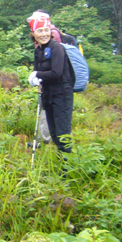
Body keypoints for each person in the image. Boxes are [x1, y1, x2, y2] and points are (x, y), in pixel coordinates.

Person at [28, 16, 75, 160]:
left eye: (46, 30)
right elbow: (39, 71)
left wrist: (37, 74)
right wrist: (36, 79)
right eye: (39, 31)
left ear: (51, 31)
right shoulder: (39, 50)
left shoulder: (56, 48)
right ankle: (62, 162)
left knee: (62, 132)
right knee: (53, 131)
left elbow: (56, 72)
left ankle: (68, 166)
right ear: (33, 33)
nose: (44, 34)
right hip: (48, 94)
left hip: (62, 94)